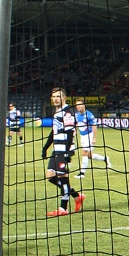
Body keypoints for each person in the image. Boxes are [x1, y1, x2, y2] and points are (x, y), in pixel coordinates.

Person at [41, 87, 84, 216]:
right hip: (56, 150)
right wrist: (45, 147)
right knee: (50, 176)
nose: (55, 99)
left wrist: (66, 153)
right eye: (53, 96)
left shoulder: (67, 113)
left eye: (58, 96)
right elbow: (54, 132)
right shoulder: (57, 113)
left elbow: (70, 133)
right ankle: (76, 195)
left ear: (64, 98)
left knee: (63, 178)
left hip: (64, 151)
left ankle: (63, 208)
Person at [74, 99, 111, 178]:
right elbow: (77, 123)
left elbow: (94, 127)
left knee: (84, 153)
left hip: (89, 136)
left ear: (84, 105)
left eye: (79, 105)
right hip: (82, 136)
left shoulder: (89, 115)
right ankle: (105, 159)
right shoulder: (77, 115)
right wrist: (75, 130)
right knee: (89, 155)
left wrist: (94, 138)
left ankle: (82, 173)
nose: (77, 107)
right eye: (76, 105)